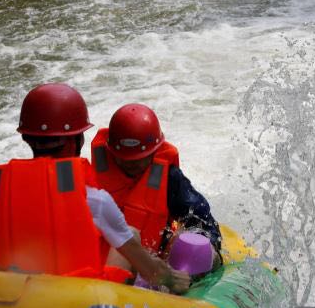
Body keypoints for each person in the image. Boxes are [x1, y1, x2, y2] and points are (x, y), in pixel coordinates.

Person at [0, 83, 189, 293]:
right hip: (79, 302)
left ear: (27, 138)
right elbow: (152, 272)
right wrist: (173, 279)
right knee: (132, 232)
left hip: (8, 293)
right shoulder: (94, 200)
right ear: (78, 140)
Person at [90, 103, 223, 270]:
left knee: (198, 246)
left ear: (154, 151)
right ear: (111, 152)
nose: (131, 163)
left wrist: (207, 246)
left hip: (155, 263)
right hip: (108, 264)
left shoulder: (171, 179)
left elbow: (200, 218)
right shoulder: (93, 173)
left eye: (139, 158)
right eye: (124, 158)